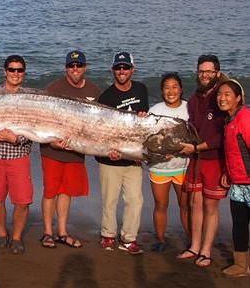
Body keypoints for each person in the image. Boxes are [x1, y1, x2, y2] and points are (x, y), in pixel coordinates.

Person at [41, 49, 101, 249]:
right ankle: (48, 232)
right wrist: (50, 141)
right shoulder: (53, 87)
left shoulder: (94, 91)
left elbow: (100, 124)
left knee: (66, 191)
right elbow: (40, 118)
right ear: (66, 68)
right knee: (51, 192)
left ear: (86, 67)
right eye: (71, 66)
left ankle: (62, 232)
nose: (75, 69)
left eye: (79, 65)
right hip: (52, 151)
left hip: (76, 152)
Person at [177, 54, 228, 267]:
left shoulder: (222, 96)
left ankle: (206, 251)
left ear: (216, 72)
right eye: (201, 71)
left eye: (208, 71)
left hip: (214, 159)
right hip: (196, 159)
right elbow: (191, 128)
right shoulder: (195, 97)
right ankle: (194, 246)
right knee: (194, 203)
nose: (204, 75)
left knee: (210, 206)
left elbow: (221, 135)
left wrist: (197, 147)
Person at [96, 52, 149, 255]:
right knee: (110, 200)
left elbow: (141, 125)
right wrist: (110, 151)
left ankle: (129, 239)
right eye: (118, 68)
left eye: (125, 68)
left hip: (133, 158)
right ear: (113, 71)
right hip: (110, 158)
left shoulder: (141, 89)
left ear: (132, 70)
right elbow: (101, 129)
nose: (122, 71)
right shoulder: (106, 96)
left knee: (135, 200)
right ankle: (108, 235)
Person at [0, 55, 34, 255]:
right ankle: (2, 233)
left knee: (23, 200)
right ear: (5, 72)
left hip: (18, 153)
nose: (15, 74)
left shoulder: (31, 98)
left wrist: (17, 139)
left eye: (19, 70)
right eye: (11, 70)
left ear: (24, 73)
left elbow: (37, 125)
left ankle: (17, 237)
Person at [147, 72, 191, 252]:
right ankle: (160, 239)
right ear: (161, 90)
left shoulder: (190, 109)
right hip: (159, 167)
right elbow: (148, 139)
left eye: (174, 87)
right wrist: (159, 152)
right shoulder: (155, 110)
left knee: (185, 206)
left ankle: (191, 240)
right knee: (160, 205)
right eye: (166, 87)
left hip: (184, 167)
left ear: (181, 89)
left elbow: (196, 137)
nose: (170, 91)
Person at [218, 79, 250, 277]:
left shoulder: (245, 117)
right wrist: (227, 173)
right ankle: (241, 265)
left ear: (238, 98)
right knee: (239, 224)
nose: (222, 98)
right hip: (238, 183)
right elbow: (234, 153)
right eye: (220, 94)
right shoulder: (229, 120)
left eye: (228, 94)